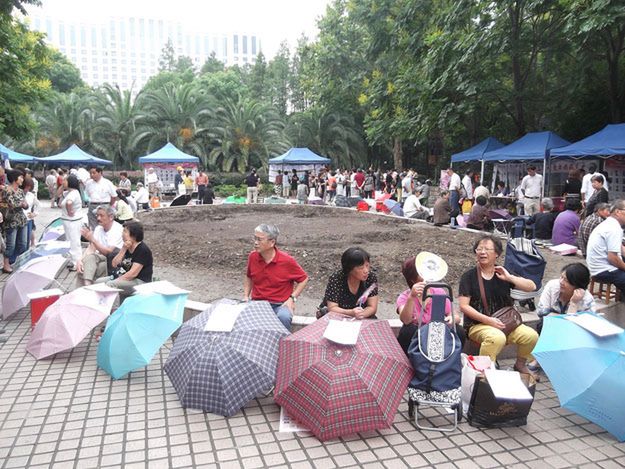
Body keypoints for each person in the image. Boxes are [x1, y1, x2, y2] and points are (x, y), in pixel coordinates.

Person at [458, 235, 538, 374]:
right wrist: (488, 320)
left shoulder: (503, 272)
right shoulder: (469, 277)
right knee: (496, 337)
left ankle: (520, 365)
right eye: (479, 249)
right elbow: (464, 306)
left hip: (506, 323)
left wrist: (509, 277)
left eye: (487, 249)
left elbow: (531, 287)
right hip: (478, 325)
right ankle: (483, 371)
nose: (482, 252)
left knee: (531, 336)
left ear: (497, 254)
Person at [244, 224, 308, 330]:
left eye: (260, 240)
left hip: (280, 304)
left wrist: (292, 298)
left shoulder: (287, 261)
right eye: (255, 238)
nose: (255, 243)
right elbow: (248, 276)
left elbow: (303, 279)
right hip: (258, 303)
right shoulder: (253, 257)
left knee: (284, 317)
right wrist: (246, 296)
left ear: (272, 242)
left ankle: (281, 345)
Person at [396, 256, 464, 354]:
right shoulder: (404, 297)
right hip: (417, 335)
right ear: (412, 279)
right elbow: (406, 320)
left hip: (437, 332)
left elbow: (455, 316)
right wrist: (411, 297)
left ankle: (451, 361)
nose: (426, 277)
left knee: (459, 330)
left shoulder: (439, 292)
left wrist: (452, 319)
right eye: (421, 273)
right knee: (407, 331)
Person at [98, 220, 153, 298]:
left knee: (110, 284)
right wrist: (123, 249)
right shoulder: (127, 247)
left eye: (125, 232)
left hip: (139, 282)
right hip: (125, 278)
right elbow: (114, 264)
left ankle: (109, 308)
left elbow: (133, 274)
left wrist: (116, 280)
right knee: (99, 282)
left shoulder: (142, 249)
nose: (122, 234)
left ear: (134, 235)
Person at [536, 263, 595, 334]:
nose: (561, 282)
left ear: (577, 285)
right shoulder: (552, 286)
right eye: (561, 277)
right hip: (552, 326)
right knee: (542, 324)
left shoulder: (587, 299)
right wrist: (567, 318)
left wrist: (574, 304)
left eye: (566, 281)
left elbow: (585, 325)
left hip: (574, 332)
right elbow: (541, 312)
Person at [322, 247, 378, 320]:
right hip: (338, 316)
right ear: (349, 269)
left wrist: (361, 314)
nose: (366, 271)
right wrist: (350, 313)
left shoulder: (370, 277)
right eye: (361, 268)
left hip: (361, 316)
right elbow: (332, 308)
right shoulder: (336, 278)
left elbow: (372, 307)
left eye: (367, 265)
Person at [586, 199, 625, 297]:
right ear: (617, 212)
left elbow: (620, 249)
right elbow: (612, 258)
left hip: (597, 266)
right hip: (603, 269)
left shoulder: (609, 224)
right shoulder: (614, 228)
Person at [76, 205, 123, 286]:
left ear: (111, 217)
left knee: (92, 264)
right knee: (84, 263)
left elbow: (108, 252)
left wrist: (92, 239)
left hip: (113, 260)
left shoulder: (118, 229)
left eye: (101, 215)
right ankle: (87, 285)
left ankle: (87, 287)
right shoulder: (98, 228)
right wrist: (80, 260)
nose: (98, 218)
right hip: (98, 258)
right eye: (97, 215)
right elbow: (91, 248)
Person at [2, 169, 28, 272]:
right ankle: (6, 265)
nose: (22, 179)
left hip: (22, 220)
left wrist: (23, 204)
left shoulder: (21, 191)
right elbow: (12, 205)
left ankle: (19, 263)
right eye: (20, 177)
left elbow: (25, 205)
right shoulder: (7, 190)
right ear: (14, 178)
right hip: (11, 221)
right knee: (10, 245)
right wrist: (22, 204)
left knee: (23, 244)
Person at [59, 175, 84, 269]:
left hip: (73, 221)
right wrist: (62, 186)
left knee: (74, 241)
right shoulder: (69, 192)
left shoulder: (73, 193)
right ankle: (73, 260)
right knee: (70, 241)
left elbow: (69, 203)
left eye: (65, 180)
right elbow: (58, 194)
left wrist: (70, 211)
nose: (63, 181)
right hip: (69, 221)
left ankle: (76, 263)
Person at [22, 177, 39, 248]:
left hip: (28, 220)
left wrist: (34, 214)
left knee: (26, 241)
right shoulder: (18, 193)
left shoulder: (31, 195)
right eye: (26, 187)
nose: (27, 189)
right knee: (21, 242)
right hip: (19, 220)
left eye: (29, 187)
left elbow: (38, 205)